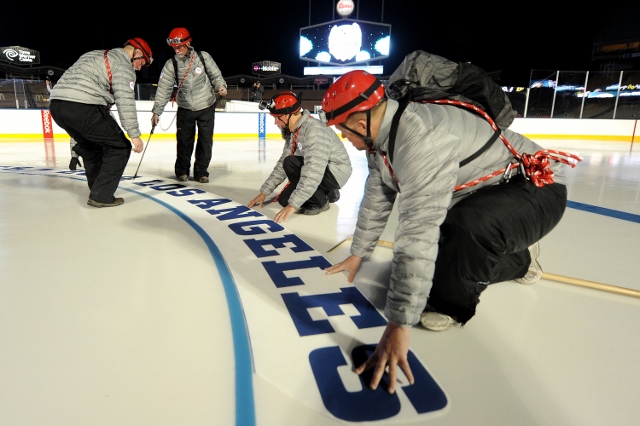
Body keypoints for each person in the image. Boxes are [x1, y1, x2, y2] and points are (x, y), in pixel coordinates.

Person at [321, 70, 580, 394]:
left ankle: (459, 303)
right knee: (448, 253)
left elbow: (417, 230)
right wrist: (358, 253)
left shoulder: (417, 139)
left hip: (537, 189)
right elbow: (378, 192)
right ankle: (517, 255)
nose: (348, 141)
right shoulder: (384, 135)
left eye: (344, 133)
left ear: (359, 124)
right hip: (488, 193)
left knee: (462, 235)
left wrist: (398, 323)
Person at [49, 38, 153, 207]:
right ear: (138, 52)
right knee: (120, 147)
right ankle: (102, 195)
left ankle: (96, 191)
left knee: (91, 147)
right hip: (82, 105)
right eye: (143, 62)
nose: (140, 67)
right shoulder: (124, 66)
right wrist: (134, 134)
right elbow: (125, 100)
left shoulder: (93, 54)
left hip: (57, 106)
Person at [246, 91, 352, 223]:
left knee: (290, 163)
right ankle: (329, 192)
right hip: (321, 170)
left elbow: (313, 170)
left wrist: (293, 205)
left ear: (287, 115)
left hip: (336, 171)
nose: (276, 123)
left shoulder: (314, 130)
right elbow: (281, 166)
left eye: (277, 118)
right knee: (284, 199)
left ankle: (321, 201)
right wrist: (264, 192)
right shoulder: (293, 132)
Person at [151, 27, 228, 184]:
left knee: (205, 141)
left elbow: (216, 75)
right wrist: (156, 112)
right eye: (174, 47)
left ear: (187, 43)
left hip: (206, 104)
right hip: (185, 107)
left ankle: (201, 172)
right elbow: (163, 89)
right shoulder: (171, 64)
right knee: (184, 141)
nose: (177, 50)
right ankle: (182, 170)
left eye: (179, 47)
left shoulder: (203, 57)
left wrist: (221, 86)